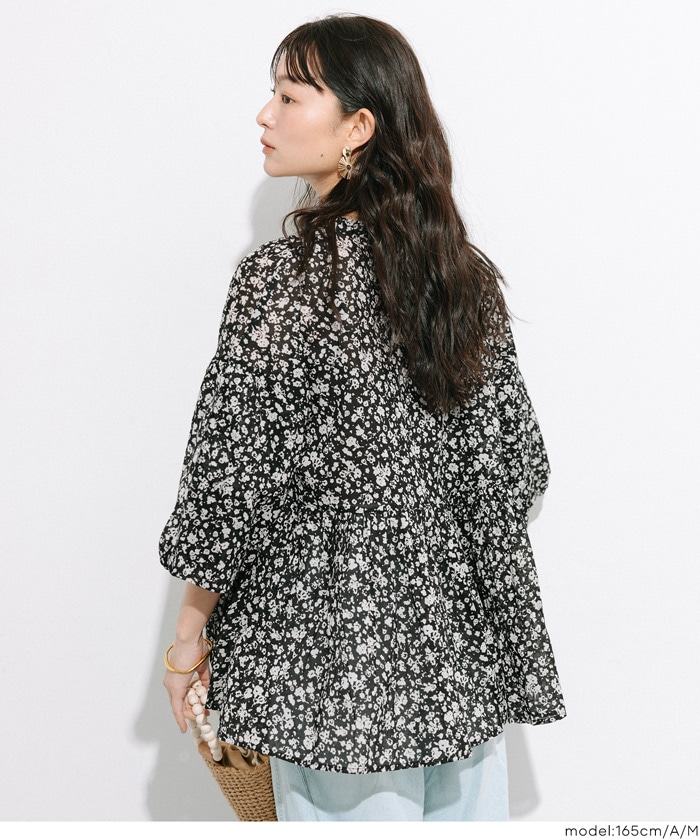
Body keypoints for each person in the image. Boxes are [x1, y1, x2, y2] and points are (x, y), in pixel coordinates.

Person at [161, 14, 565, 822]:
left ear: (358, 127)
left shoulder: (284, 283)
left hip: (326, 667)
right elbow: (516, 465)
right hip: (458, 665)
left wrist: (188, 637)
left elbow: (228, 481)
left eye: (289, 96)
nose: (265, 115)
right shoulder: (461, 278)